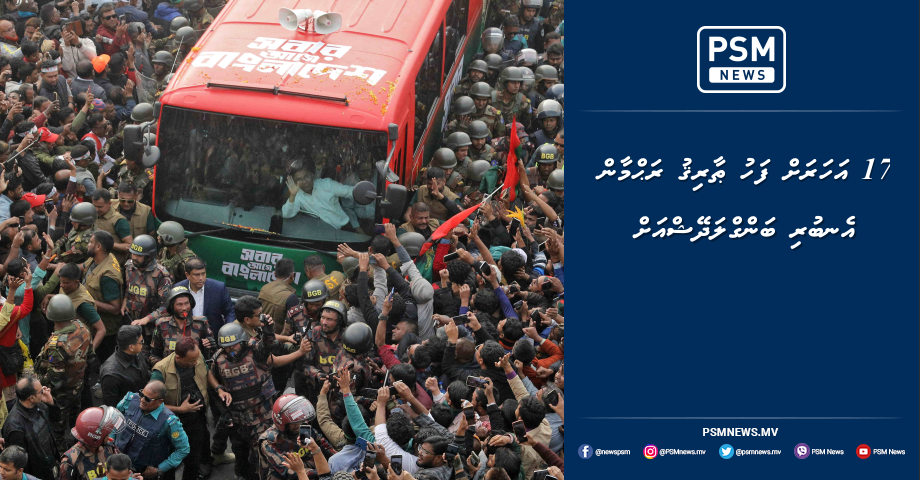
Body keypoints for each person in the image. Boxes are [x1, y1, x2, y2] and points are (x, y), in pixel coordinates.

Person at [208, 300, 310, 480]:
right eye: (227, 347)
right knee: (239, 453)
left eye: (234, 345)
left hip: (261, 417)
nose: (231, 350)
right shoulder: (219, 358)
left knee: (261, 456)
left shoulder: (255, 351)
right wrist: (220, 389)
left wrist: (268, 329)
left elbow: (268, 344)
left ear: (242, 341)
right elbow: (210, 375)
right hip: (237, 418)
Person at [35, 294, 94, 453]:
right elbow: (91, 356)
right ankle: (80, 446)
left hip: (60, 395)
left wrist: (38, 383)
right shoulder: (82, 328)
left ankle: (61, 453)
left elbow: (55, 379)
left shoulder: (57, 344)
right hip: (77, 386)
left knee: (57, 428)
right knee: (76, 421)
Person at [151, 337, 212, 480]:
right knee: (169, 463)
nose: (195, 363)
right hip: (171, 424)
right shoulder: (160, 371)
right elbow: (151, 404)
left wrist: (219, 388)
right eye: (191, 361)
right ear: (178, 357)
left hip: (196, 419)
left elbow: (207, 371)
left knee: (194, 460)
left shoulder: (197, 356)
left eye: (196, 359)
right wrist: (180, 409)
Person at [113, 381, 190, 480]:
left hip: (142, 472)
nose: (142, 400)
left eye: (148, 399)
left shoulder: (169, 421)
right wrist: (110, 442)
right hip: (116, 463)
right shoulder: (130, 400)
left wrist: (159, 469)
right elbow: (114, 420)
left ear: (160, 401)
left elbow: (183, 448)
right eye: (141, 395)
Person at [258, 394, 335, 480]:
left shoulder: (302, 425)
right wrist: (323, 470)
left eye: (300, 421)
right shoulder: (269, 441)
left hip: (313, 469)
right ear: (283, 423)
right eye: (294, 423)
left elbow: (324, 445)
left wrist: (339, 458)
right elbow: (288, 471)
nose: (298, 425)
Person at [123, 234, 172, 362]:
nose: (134, 258)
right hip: (130, 324)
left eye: (139, 256)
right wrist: (124, 301)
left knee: (144, 361)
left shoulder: (161, 275)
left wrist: (146, 319)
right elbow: (127, 288)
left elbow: (166, 308)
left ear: (149, 256)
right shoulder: (129, 267)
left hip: (150, 331)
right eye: (133, 254)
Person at [2, 376, 60, 480]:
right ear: (31, 398)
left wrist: (50, 402)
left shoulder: (38, 405)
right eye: (41, 391)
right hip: (37, 474)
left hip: (51, 464)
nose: (44, 391)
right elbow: (19, 463)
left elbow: (57, 419)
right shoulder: (15, 427)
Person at [146, 285, 214, 367]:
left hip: (195, 369)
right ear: (172, 306)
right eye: (179, 305)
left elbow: (211, 354)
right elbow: (154, 355)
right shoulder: (162, 325)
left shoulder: (201, 324)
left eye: (187, 303)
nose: (184, 308)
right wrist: (164, 368)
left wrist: (211, 345)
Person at [82, 230, 124, 361]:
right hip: (90, 325)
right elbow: (83, 267)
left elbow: (115, 308)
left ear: (98, 246)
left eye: (91, 242)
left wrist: (86, 301)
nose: (88, 245)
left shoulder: (107, 276)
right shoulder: (98, 258)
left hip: (104, 333)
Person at [175, 256, 235, 340]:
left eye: (203, 274)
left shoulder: (218, 288)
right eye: (197, 275)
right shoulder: (178, 289)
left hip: (213, 338)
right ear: (187, 275)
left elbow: (230, 311)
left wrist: (227, 330)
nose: (201, 278)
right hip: (186, 338)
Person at [59, 406, 124, 480]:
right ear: (95, 438)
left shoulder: (109, 446)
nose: (109, 436)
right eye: (107, 434)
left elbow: (121, 467)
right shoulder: (70, 461)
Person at [281, 167, 355, 231]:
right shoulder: (297, 196)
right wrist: (292, 195)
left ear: (312, 175)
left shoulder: (327, 184)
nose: (305, 181)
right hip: (323, 233)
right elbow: (286, 214)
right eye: (299, 179)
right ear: (295, 182)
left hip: (345, 229)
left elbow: (350, 192)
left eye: (306, 176)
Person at [57, 263, 106, 351]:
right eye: (61, 281)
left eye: (65, 283)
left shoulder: (84, 304)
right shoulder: (67, 288)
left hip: (76, 348)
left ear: (76, 282)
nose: (61, 285)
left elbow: (101, 330)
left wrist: (89, 352)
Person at [99, 325, 149, 408]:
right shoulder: (111, 374)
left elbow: (145, 373)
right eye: (141, 342)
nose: (143, 344)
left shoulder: (137, 354)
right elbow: (111, 406)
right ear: (131, 347)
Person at [91, 189, 132, 264]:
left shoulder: (118, 220)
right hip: (95, 263)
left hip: (112, 266)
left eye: (100, 207)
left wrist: (108, 243)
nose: (96, 209)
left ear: (109, 203)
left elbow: (129, 245)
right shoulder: (92, 215)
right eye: (94, 206)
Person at [258, 258, 298, 335]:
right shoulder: (291, 297)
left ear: (274, 274)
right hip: (277, 339)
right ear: (292, 275)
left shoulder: (264, 288)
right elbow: (289, 328)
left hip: (260, 334)